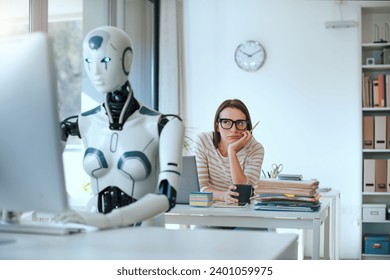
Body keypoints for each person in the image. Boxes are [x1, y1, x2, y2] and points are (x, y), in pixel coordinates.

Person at [56, 26, 184, 229]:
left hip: (142, 233)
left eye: (105, 61)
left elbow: (167, 196)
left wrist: (108, 220)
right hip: (93, 229)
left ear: (127, 60)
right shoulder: (82, 122)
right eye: (89, 61)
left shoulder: (163, 125)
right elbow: (38, 180)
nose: (95, 71)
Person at [195, 99, 264, 204]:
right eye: (226, 122)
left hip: (245, 212)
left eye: (240, 123)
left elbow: (244, 193)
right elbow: (200, 188)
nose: (233, 130)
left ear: (247, 127)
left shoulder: (255, 149)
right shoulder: (203, 141)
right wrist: (223, 196)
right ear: (217, 126)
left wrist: (232, 151)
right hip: (211, 212)